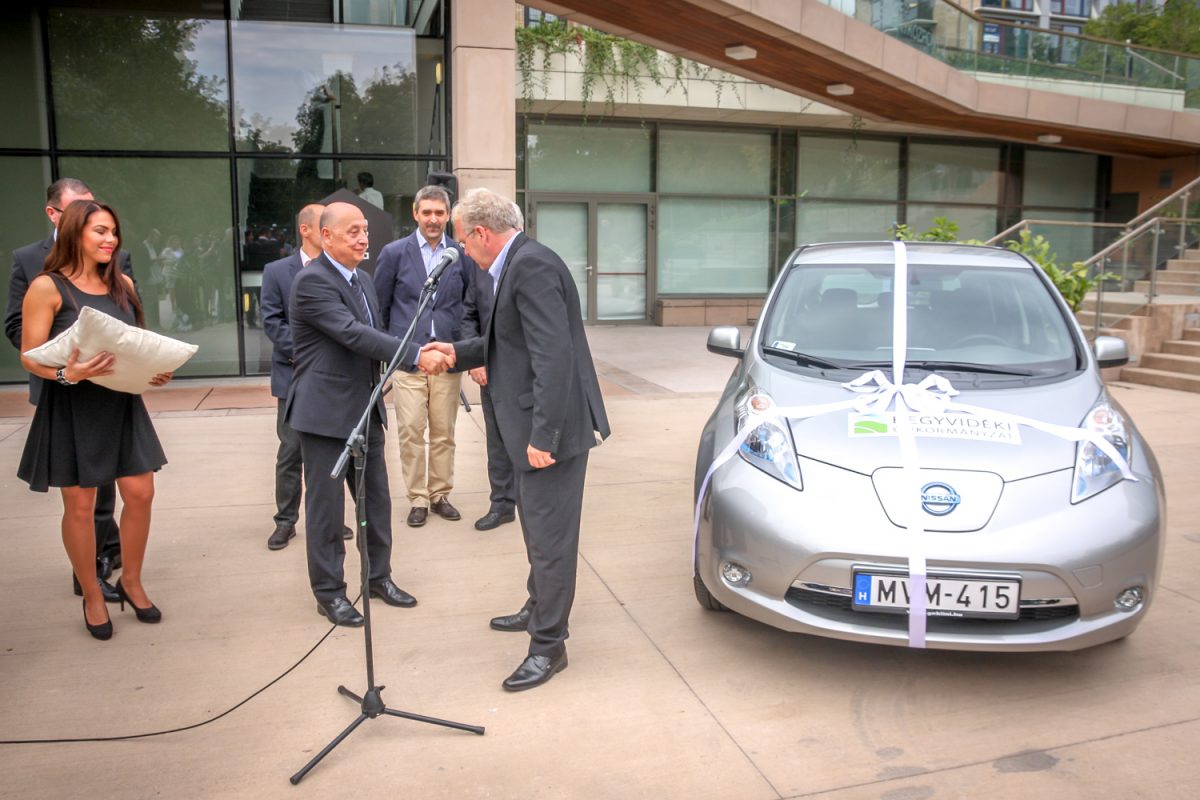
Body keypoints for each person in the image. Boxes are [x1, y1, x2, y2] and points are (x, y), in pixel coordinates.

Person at [420, 188, 610, 691]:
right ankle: (538, 606)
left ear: (482, 233)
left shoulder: (531, 266)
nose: (462, 250)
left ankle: (549, 646)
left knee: (551, 542)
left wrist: (544, 435)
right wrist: (455, 351)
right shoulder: (517, 263)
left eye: (463, 241)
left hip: (549, 433)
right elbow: (509, 342)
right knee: (535, 533)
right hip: (527, 427)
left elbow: (554, 357)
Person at [16, 200, 172, 640]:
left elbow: (134, 342)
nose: (111, 240)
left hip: (121, 403)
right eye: (100, 231)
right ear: (74, 233)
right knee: (81, 508)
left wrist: (154, 369)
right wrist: (70, 374)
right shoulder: (46, 287)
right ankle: (92, 595)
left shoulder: (123, 283)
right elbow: (30, 356)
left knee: (141, 493)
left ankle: (131, 582)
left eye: (113, 232)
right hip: (73, 406)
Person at [4, 178, 136, 604]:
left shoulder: (118, 266)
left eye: (112, 229)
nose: (108, 237)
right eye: (94, 223)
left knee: (117, 491)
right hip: (66, 390)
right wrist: (64, 363)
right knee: (81, 495)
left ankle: (110, 558)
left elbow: (130, 327)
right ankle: (89, 577)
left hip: (114, 394)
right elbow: (20, 332)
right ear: (58, 215)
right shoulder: (32, 264)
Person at [285, 201, 417, 627]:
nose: (363, 239)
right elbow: (352, 334)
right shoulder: (312, 281)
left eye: (365, 231)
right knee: (326, 510)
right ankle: (330, 593)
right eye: (353, 232)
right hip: (325, 416)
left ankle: (379, 577)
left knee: (375, 502)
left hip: (365, 410)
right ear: (325, 236)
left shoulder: (363, 280)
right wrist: (415, 354)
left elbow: (373, 334)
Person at [374, 184, 474, 528]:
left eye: (439, 213)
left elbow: (469, 306)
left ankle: (440, 494)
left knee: (444, 433)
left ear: (448, 216)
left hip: (447, 359)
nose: (433, 219)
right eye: (427, 212)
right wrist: (390, 350)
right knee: (411, 433)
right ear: (415, 214)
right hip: (409, 360)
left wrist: (466, 350)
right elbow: (381, 307)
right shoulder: (394, 253)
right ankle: (417, 498)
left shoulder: (460, 255)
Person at [260, 203, 355, 551]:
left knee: (330, 453)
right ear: (307, 230)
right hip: (293, 376)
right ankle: (285, 521)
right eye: (323, 224)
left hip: (332, 381)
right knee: (291, 451)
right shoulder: (276, 271)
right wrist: (306, 353)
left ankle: (331, 518)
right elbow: (272, 321)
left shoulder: (342, 269)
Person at [459, 203, 520, 532]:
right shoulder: (480, 268)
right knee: (497, 443)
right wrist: (476, 361)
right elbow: (468, 314)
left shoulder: (528, 266)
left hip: (523, 379)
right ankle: (502, 504)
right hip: (490, 373)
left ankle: (530, 501)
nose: (465, 250)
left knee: (526, 441)